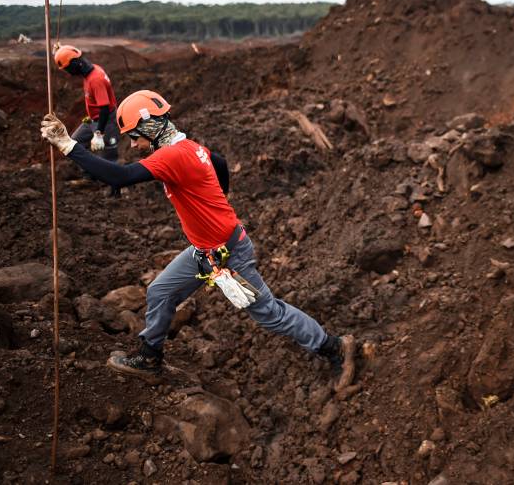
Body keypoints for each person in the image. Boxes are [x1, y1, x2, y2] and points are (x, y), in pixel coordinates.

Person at [39, 90, 356, 391]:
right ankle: (150, 357)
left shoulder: (174, 156)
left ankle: (335, 347)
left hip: (229, 255)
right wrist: (220, 199)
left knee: (270, 314)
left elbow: (119, 177)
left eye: (135, 137)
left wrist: (68, 146)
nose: (134, 145)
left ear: (151, 127)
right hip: (205, 251)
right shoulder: (191, 148)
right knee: (161, 291)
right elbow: (218, 162)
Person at [54, 45, 120, 165]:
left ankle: (107, 181)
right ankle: (92, 172)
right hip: (93, 119)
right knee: (74, 143)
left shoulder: (96, 80)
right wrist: (61, 51)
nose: (68, 73)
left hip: (105, 120)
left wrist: (99, 133)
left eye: (67, 69)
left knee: (107, 159)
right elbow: (71, 56)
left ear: (74, 64)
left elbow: (104, 108)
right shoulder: (90, 70)